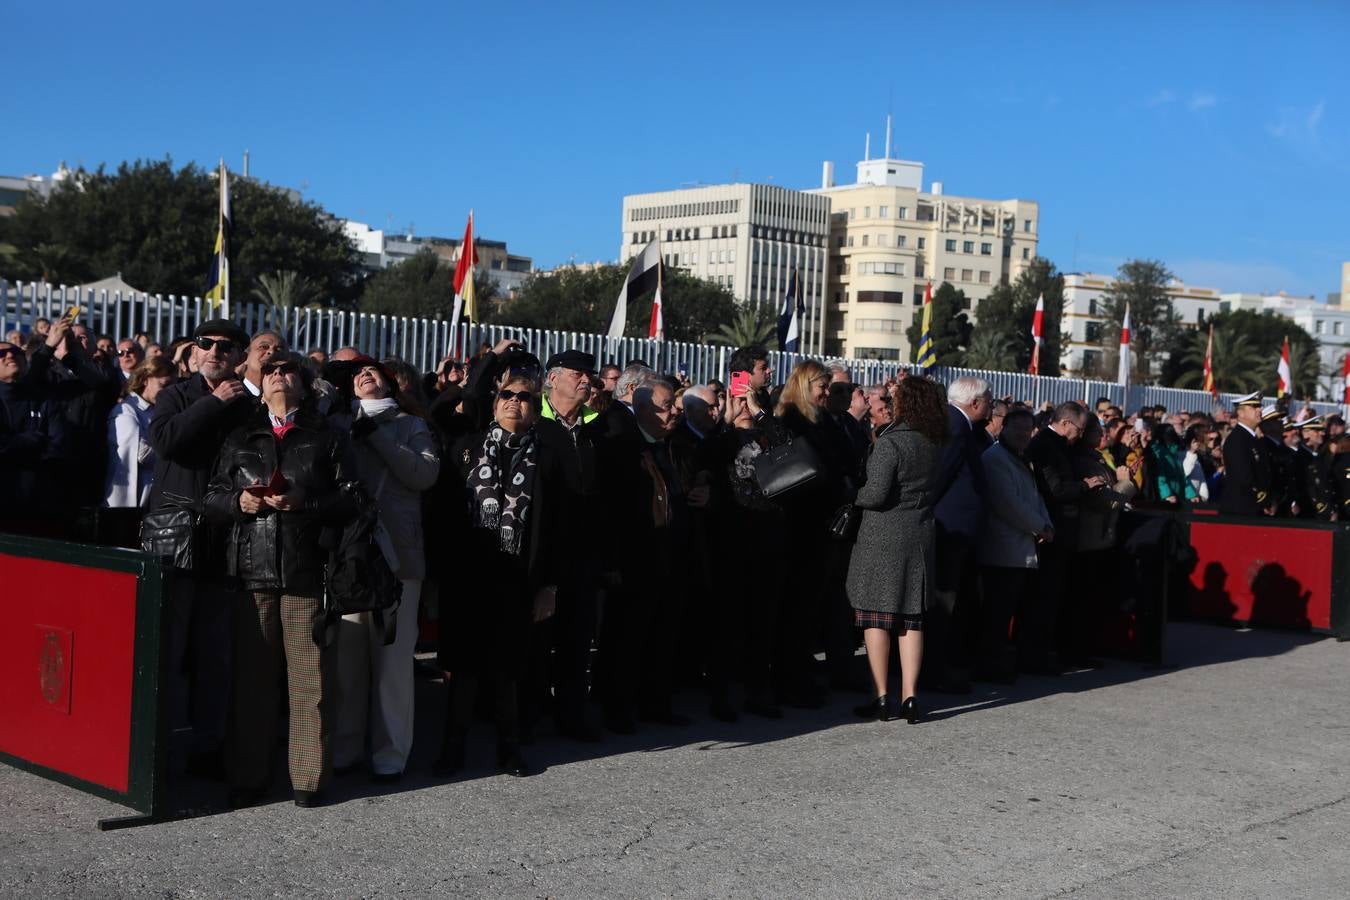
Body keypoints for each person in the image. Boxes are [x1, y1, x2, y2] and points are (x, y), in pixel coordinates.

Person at [203, 353, 358, 808]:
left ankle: (308, 779)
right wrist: (238, 503)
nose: (278, 376)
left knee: (310, 682)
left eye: (288, 371)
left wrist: (306, 502)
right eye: (270, 371)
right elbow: (211, 496)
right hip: (251, 571)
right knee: (252, 681)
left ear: (304, 385)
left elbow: (354, 498)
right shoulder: (240, 437)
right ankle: (249, 776)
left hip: (306, 570)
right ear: (261, 383)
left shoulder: (328, 437)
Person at [436, 373, 564, 777]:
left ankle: (509, 749)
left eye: (525, 397)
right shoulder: (466, 449)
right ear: (494, 405)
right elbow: (443, 517)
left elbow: (560, 530)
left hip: (518, 579)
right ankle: (452, 749)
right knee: (464, 669)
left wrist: (549, 586)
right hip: (467, 578)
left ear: (535, 406)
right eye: (507, 395)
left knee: (508, 669)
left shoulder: (546, 456)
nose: (515, 402)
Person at [146, 319, 257, 777]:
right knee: (168, 649)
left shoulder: (248, 406)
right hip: (174, 535)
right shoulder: (176, 394)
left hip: (224, 534)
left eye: (225, 347)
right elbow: (165, 441)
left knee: (215, 650)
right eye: (205, 344)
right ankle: (157, 750)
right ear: (194, 351)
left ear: (239, 357)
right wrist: (212, 402)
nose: (213, 351)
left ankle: (209, 747)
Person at [333, 356, 441, 782]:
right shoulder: (337, 423)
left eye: (373, 371)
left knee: (394, 663)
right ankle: (343, 749)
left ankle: (390, 756)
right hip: (352, 556)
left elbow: (423, 474)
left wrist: (377, 436)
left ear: (391, 384)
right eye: (358, 373)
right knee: (347, 661)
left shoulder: (411, 425)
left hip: (399, 556)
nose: (364, 375)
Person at [845, 376, 947, 724]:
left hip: (882, 537)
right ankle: (911, 697)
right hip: (918, 534)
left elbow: (874, 495)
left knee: (876, 617)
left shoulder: (891, 444)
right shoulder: (933, 443)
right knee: (911, 619)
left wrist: (850, 496)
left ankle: (881, 696)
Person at [594, 377, 690, 732]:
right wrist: (613, 560)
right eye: (667, 406)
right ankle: (617, 708)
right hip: (636, 558)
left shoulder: (669, 445)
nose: (675, 413)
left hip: (668, 557)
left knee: (662, 635)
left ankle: (655, 703)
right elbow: (615, 511)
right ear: (645, 410)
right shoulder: (626, 448)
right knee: (627, 637)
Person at [1024, 401, 1107, 674]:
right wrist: (1085, 485)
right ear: (1067, 424)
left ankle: (1051, 653)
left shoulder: (1061, 445)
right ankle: (1036, 656)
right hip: (1052, 530)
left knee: (1056, 596)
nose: (1080, 436)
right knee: (1043, 598)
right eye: (1080, 429)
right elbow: (1054, 490)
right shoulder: (1046, 445)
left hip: (1064, 532)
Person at [977, 407, 1052, 683]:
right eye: (1017, 428)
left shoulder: (1022, 457)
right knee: (997, 613)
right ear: (1003, 427)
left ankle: (1011, 661)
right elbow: (1009, 504)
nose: (1023, 434)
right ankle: (990, 665)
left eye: (1027, 429)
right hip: (1003, 549)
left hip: (1023, 548)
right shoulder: (995, 458)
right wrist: (1039, 526)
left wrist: (1046, 524)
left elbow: (1035, 497)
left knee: (1014, 609)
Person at [929, 376, 992, 693]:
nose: (992, 407)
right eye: (989, 400)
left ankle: (947, 666)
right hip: (950, 530)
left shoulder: (961, 425)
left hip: (960, 530)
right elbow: (940, 475)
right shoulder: (955, 425)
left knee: (958, 601)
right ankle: (935, 670)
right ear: (976, 402)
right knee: (945, 603)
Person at [104, 356, 176, 508]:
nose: (168, 393)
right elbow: (141, 453)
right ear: (145, 380)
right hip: (126, 504)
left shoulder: (162, 410)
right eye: (163, 386)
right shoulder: (126, 411)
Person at [1218, 392, 1271, 516]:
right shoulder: (1237, 439)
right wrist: (1263, 500)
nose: (1260, 410)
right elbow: (1243, 477)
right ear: (1240, 413)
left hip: (1253, 507)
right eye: (1254, 407)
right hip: (1241, 510)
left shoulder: (1252, 439)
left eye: (1259, 406)